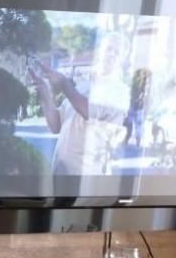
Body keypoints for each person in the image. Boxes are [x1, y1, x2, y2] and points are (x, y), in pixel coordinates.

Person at [29, 32, 130, 175]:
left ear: (122, 60)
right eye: (109, 48)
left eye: (117, 52)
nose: (112, 54)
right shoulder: (83, 85)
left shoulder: (120, 91)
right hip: (60, 172)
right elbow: (56, 125)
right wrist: (45, 94)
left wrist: (64, 83)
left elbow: (88, 111)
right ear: (100, 51)